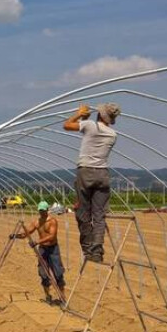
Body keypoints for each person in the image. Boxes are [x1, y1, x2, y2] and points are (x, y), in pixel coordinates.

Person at [63, 102, 120, 263]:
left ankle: (88, 250)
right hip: (102, 174)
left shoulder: (90, 125)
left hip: (86, 172)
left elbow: (66, 125)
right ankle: (97, 252)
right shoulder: (113, 135)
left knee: (83, 212)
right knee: (99, 215)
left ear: (101, 115)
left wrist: (79, 114)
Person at [10, 200, 65, 303]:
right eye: (40, 210)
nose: (41, 212)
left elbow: (52, 236)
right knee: (43, 274)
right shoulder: (36, 222)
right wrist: (15, 236)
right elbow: (26, 233)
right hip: (43, 249)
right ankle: (48, 295)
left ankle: (63, 298)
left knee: (58, 274)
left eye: (43, 210)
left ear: (47, 210)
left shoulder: (52, 221)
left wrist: (37, 241)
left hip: (53, 249)